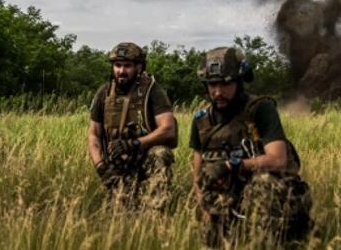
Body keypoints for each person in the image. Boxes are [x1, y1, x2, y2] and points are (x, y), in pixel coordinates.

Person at [189, 47, 313, 247]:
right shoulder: (202, 121)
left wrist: (233, 165)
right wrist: (205, 209)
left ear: (239, 82)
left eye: (225, 83)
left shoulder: (261, 109)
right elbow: (198, 175)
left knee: (263, 183)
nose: (218, 92)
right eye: (212, 84)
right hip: (226, 202)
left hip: (269, 201)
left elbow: (278, 160)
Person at [87, 42, 178, 211]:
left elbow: (168, 129)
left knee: (161, 153)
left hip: (145, 156)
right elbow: (94, 133)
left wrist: (135, 143)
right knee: (119, 215)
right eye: (117, 65)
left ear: (139, 67)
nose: (121, 71)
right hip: (119, 160)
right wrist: (101, 166)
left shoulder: (153, 90)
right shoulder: (104, 93)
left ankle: (156, 213)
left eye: (127, 66)